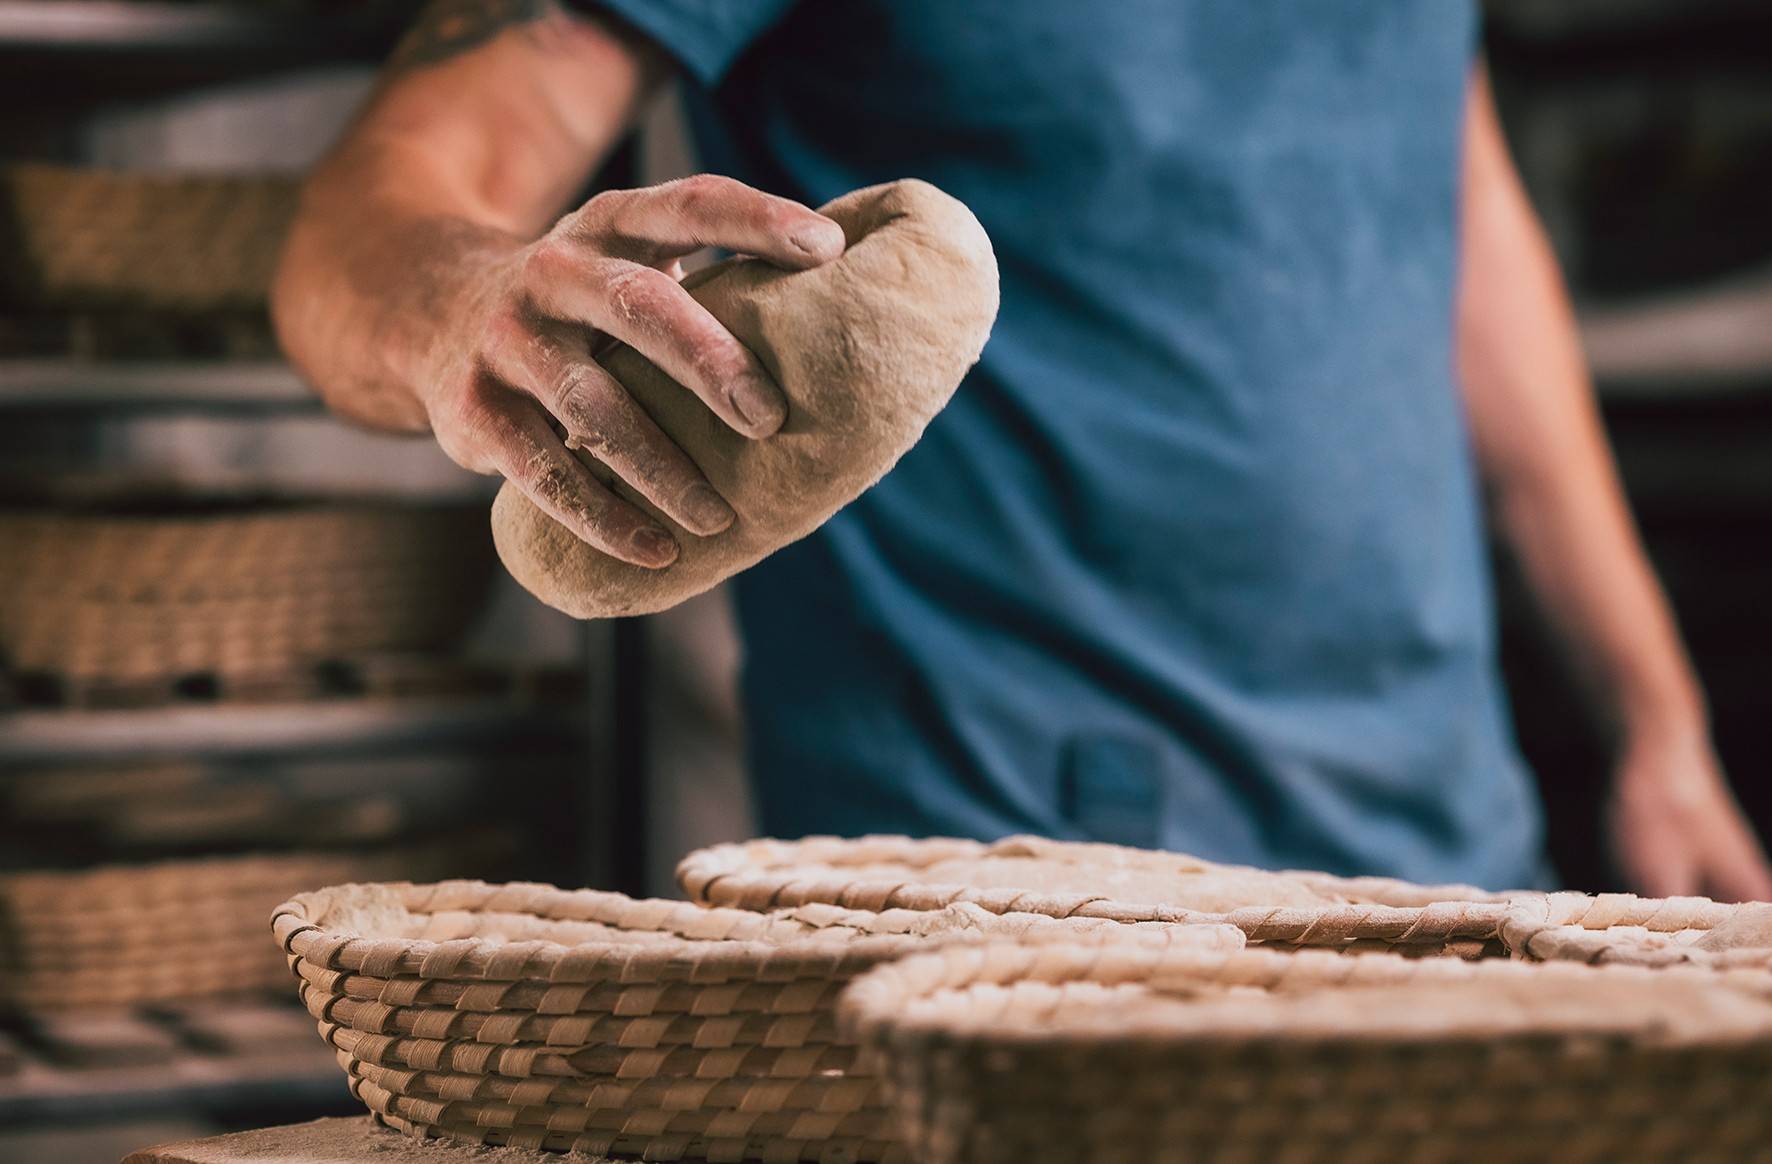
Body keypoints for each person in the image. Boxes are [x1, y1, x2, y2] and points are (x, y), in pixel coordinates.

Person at [273, 0, 1772, 897]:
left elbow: (1462, 230)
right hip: (1008, 877)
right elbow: (387, 188)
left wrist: (1658, 720)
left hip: (1442, 839)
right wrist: (456, 302)